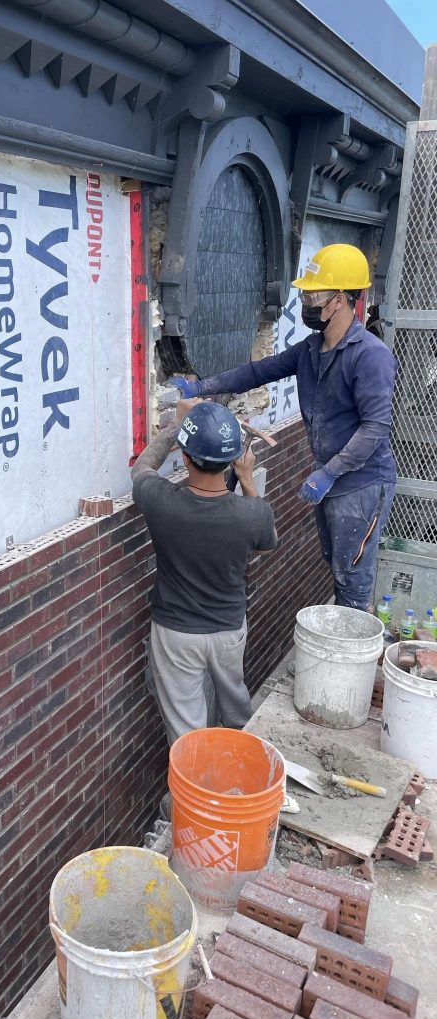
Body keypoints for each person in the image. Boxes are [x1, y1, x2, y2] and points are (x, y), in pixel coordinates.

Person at [173, 244, 397, 610]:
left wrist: (329, 472)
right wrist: (199, 387)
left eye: (314, 295)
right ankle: (345, 630)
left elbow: (374, 429)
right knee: (336, 562)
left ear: (340, 300)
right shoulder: (310, 349)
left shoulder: (370, 356)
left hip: (362, 482)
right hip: (331, 476)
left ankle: (354, 640)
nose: (307, 302)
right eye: (305, 294)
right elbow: (257, 372)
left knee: (352, 574)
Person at [131, 399, 278, 744]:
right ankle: (242, 768)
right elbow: (265, 545)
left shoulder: (162, 501)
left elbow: (142, 469)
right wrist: (247, 479)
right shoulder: (251, 513)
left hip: (177, 634)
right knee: (238, 714)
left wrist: (175, 426)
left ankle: (197, 778)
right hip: (229, 631)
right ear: (233, 459)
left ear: (185, 457)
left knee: (189, 734)